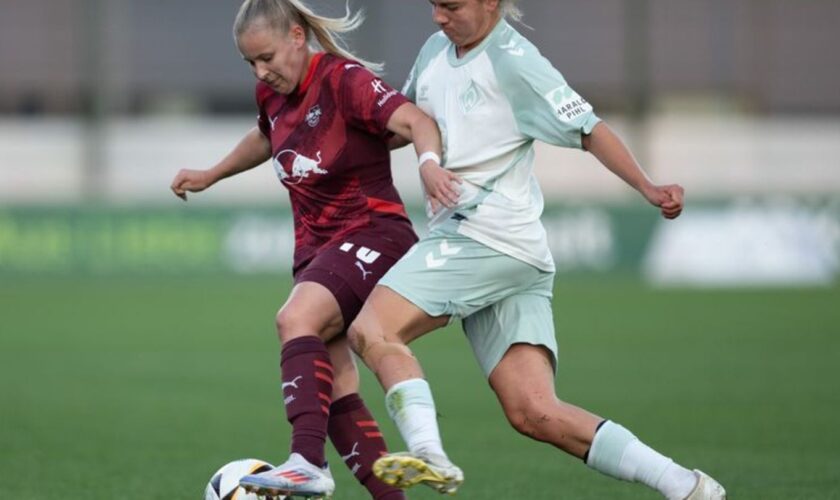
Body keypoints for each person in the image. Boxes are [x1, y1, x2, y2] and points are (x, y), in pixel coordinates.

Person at [346, 1, 727, 499]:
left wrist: (648, 187)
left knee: (373, 328)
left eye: (452, 5)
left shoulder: (515, 61)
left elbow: (590, 129)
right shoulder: (436, 50)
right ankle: (687, 486)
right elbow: (409, 121)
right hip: (512, 255)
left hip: (484, 236)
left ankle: (428, 452)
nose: (439, 17)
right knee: (535, 412)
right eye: (433, 4)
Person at [170, 0, 455, 498]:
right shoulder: (271, 93)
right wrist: (212, 173)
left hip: (373, 233)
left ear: (298, 37)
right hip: (316, 250)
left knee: (293, 320)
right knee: (336, 385)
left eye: (267, 57)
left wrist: (428, 163)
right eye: (250, 63)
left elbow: (416, 121)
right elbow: (267, 136)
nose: (261, 71)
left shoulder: (343, 79)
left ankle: (306, 461)